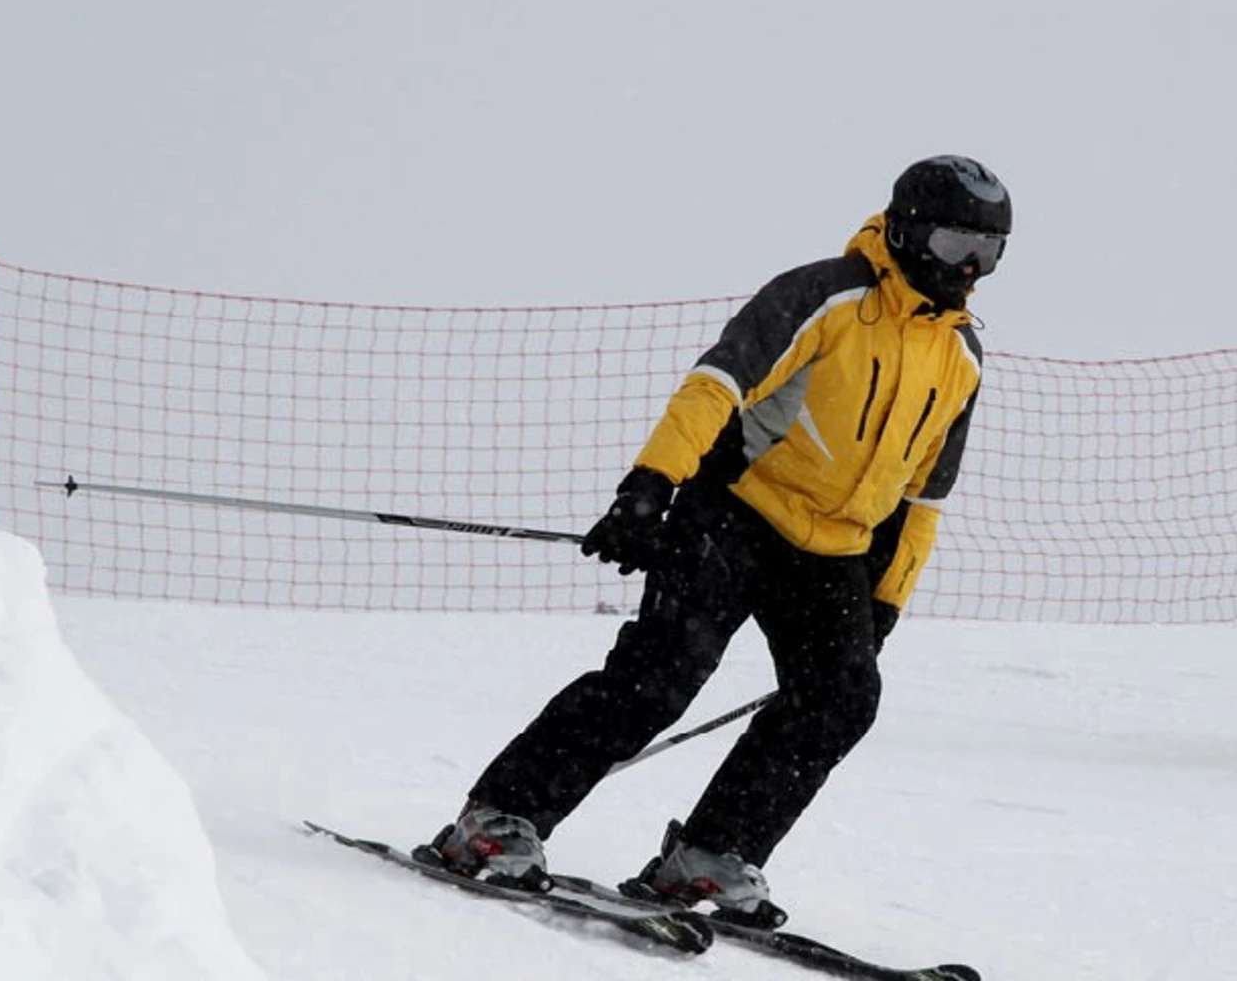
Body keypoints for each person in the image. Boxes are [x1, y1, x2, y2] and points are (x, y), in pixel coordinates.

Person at [424, 155, 1009, 924]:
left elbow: (923, 496)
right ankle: (495, 821)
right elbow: (719, 384)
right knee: (663, 675)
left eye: (987, 252)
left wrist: (887, 600)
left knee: (842, 698)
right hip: (735, 511)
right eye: (951, 243)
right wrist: (651, 484)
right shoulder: (824, 296)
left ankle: (708, 856)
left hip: (832, 550)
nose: (966, 266)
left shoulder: (961, 355)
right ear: (904, 229)